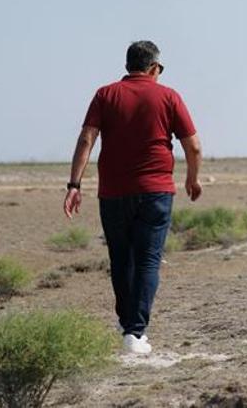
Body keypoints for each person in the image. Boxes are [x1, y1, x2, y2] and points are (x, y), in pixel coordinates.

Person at [63, 40, 202, 355]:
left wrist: (74, 185)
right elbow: (192, 145)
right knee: (148, 260)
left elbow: (87, 138)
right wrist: (192, 178)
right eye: (161, 69)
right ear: (154, 67)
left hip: (113, 192)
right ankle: (135, 333)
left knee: (121, 259)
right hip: (155, 191)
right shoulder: (168, 96)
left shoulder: (105, 94)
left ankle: (128, 325)